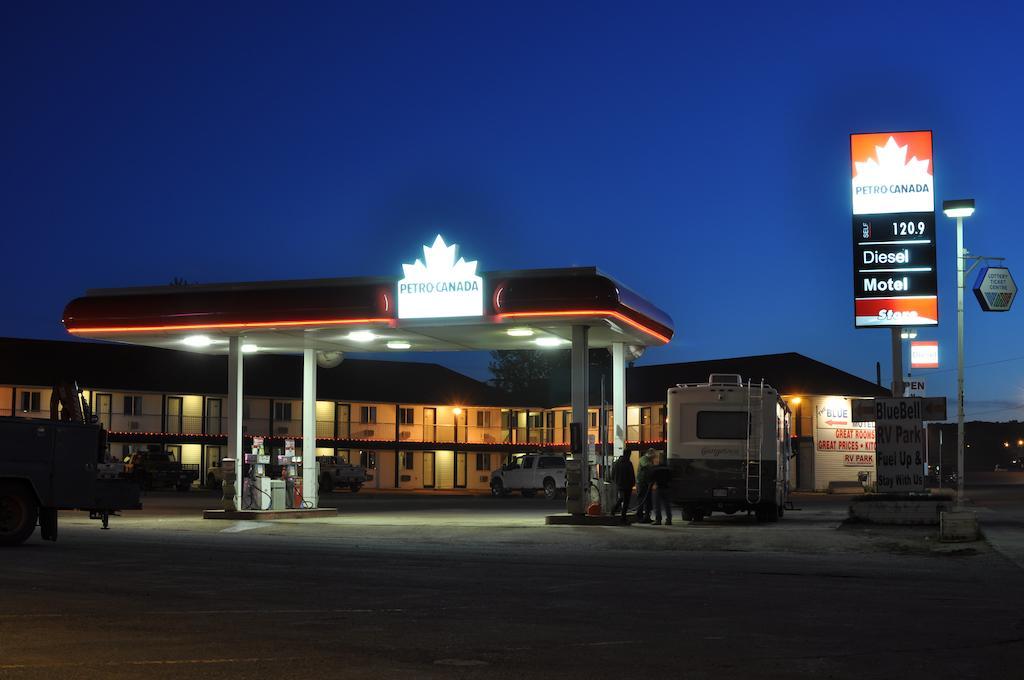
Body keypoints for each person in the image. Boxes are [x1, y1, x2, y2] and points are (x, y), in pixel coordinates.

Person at [611, 452, 635, 524]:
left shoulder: (617, 463)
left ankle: (614, 510)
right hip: (627, 485)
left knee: (621, 498)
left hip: (619, 484)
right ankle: (623, 518)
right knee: (626, 501)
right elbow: (631, 474)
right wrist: (633, 483)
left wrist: (615, 481)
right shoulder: (628, 463)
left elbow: (613, 473)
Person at [650, 453, 673, 525]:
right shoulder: (668, 468)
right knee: (667, 505)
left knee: (657, 505)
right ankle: (669, 520)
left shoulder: (656, 468)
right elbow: (670, 478)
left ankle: (658, 520)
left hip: (658, 488)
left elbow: (651, 477)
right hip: (666, 488)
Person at [635, 448, 656, 523]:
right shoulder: (643, 459)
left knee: (648, 500)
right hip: (642, 483)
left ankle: (647, 516)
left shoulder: (650, 460)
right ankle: (639, 516)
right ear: (649, 454)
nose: (653, 458)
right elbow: (647, 466)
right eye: (653, 456)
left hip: (647, 483)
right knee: (641, 499)